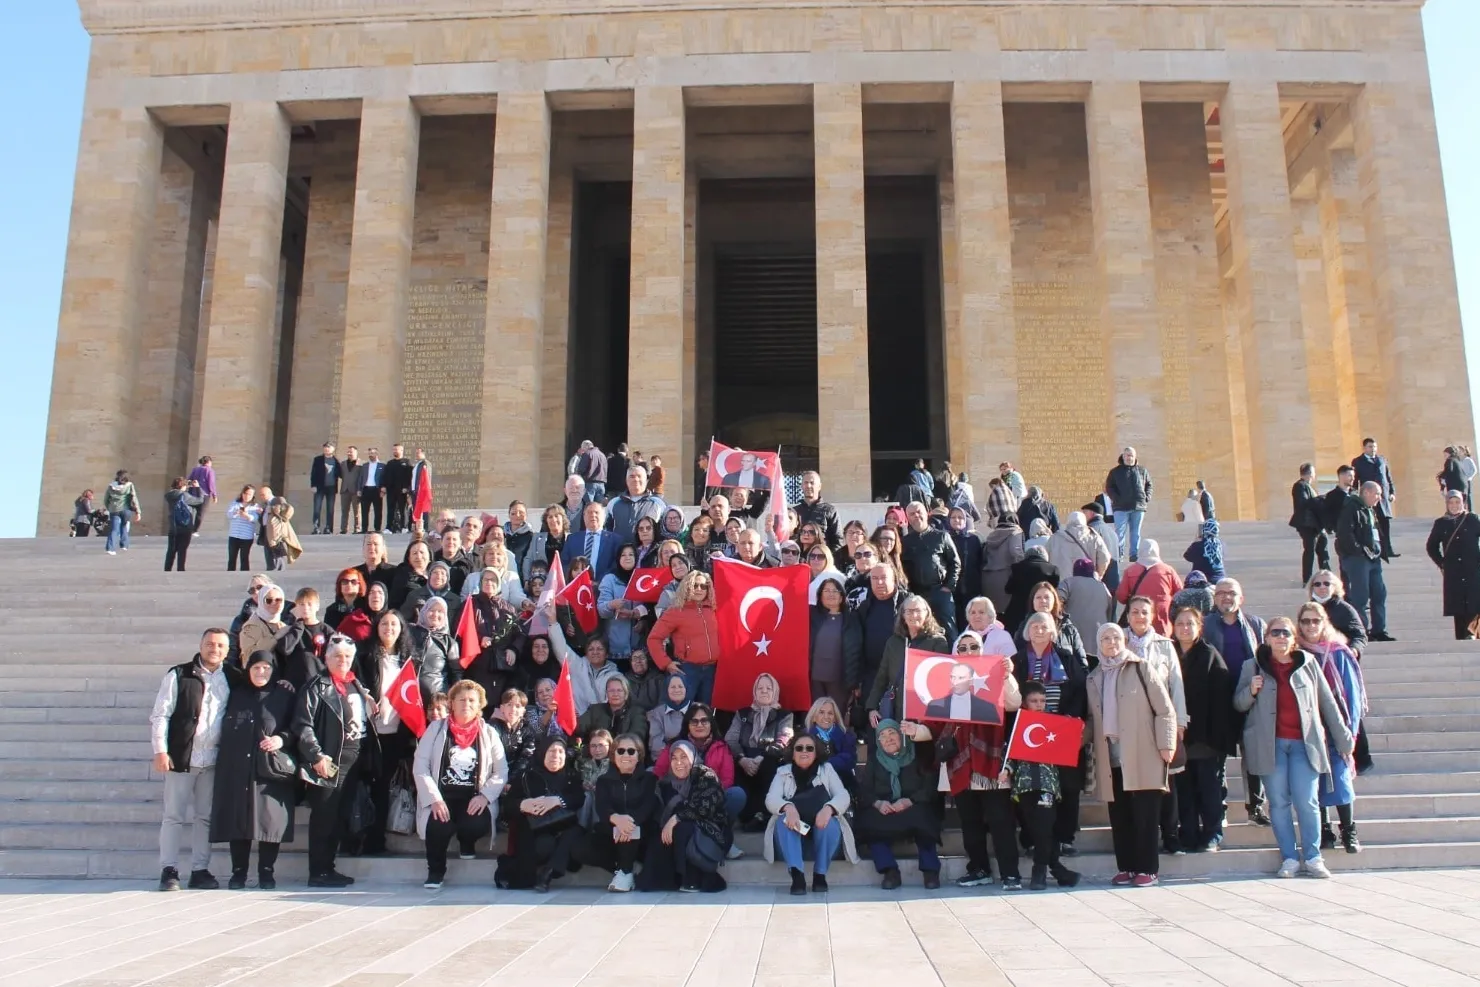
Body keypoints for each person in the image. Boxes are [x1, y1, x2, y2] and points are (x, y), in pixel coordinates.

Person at [1234, 617, 1354, 879]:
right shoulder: (1252, 666)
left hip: (1304, 743)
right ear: (1267, 638)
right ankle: (1289, 857)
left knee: (1307, 801)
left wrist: (1344, 739)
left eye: (1286, 633)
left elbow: (1327, 702)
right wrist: (1251, 691)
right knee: (1278, 803)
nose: (1281, 637)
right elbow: (1238, 704)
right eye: (1275, 633)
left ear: (1293, 638)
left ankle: (1313, 857)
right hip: (1270, 745)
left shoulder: (1307, 663)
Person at [1087, 622, 1177, 888]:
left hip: (1143, 750)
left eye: (1116, 637)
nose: (1111, 642)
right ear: (1099, 644)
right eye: (1105, 638)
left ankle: (1148, 869)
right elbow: (1092, 719)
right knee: (1120, 814)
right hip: (1111, 755)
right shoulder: (1094, 677)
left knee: (1146, 814)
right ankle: (1126, 867)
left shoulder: (1140, 668)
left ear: (1124, 640)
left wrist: (1167, 744)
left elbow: (1165, 710)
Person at [938, 630, 1023, 889]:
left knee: (1001, 821)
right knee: (970, 822)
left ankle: (1010, 874)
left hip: (991, 761)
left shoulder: (996, 675)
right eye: (962, 648)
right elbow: (934, 719)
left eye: (973, 646)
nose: (968, 651)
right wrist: (915, 729)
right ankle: (978, 870)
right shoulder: (947, 682)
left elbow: (1014, 703)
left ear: (982, 650)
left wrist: (1006, 676)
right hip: (961, 763)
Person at [151, 628, 232, 891]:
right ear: (200, 645)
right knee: (173, 816)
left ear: (227, 651)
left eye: (220, 645)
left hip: (213, 760)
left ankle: (200, 869)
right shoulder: (179, 674)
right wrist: (160, 750)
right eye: (210, 644)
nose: (215, 649)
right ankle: (169, 869)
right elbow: (161, 714)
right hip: (181, 758)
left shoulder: (232, 677)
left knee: (204, 817)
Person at [211, 650, 297, 890]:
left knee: (269, 821)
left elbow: (296, 725)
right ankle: (238, 872)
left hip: (269, 769)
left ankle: (266, 872)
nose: (261, 672)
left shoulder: (284, 695)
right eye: (256, 667)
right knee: (239, 820)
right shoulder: (236, 693)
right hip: (237, 767)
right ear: (248, 670)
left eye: (266, 668)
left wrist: (281, 739)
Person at [295, 635, 374, 888]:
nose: (343, 661)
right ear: (327, 658)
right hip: (329, 762)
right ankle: (318, 871)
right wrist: (316, 755)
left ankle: (328, 867)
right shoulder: (317, 686)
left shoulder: (354, 683)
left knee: (339, 817)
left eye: (347, 656)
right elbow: (302, 725)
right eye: (337, 656)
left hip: (353, 762)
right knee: (324, 817)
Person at [412, 680, 507, 889]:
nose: (467, 704)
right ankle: (436, 872)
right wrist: (434, 799)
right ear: (452, 703)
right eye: (461, 699)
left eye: (472, 700)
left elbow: (501, 771)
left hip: (473, 798)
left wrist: (485, 796)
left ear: (480, 705)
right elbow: (420, 766)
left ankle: (467, 841)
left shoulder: (489, 733)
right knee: (437, 826)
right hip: (442, 797)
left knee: (475, 824)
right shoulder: (436, 729)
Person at [1013, 611, 1090, 856]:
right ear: (1027, 631)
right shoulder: (1017, 660)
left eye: (1044, 626)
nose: (1039, 630)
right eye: (1034, 625)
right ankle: (1032, 840)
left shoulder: (1065, 657)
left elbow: (1080, 690)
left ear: (1052, 631)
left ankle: (1064, 838)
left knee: (1067, 785)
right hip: (1028, 733)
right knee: (1031, 787)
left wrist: (1071, 717)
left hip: (1060, 730)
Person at [1295, 603, 1366, 854]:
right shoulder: (1296, 652)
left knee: (1340, 778)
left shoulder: (1338, 652)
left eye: (1316, 620)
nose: (1311, 626)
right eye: (1305, 621)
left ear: (1324, 622)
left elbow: (1351, 694)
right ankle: (1324, 830)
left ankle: (1348, 830)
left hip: (1336, 724)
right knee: (1316, 780)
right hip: (1307, 726)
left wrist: (1350, 729)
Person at [999, 683, 1082, 890]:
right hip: (1024, 786)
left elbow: (1067, 747)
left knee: (1044, 828)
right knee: (1037, 830)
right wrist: (1006, 769)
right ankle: (1058, 871)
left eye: (1042, 701)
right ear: (1025, 703)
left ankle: (1040, 873)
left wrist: (1075, 730)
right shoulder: (1018, 724)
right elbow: (1010, 754)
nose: (1039, 705)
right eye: (1034, 701)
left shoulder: (1054, 723)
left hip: (1048, 786)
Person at [1169, 606, 1235, 853]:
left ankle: (1212, 834)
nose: (1185, 628)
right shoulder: (1169, 653)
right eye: (1180, 623)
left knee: (1208, 788)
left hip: (1206, 736)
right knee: (1183, 789)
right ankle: (1188, 833)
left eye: (1190, 623)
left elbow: (1221, 698)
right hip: (1178, 735)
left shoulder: (1209, 655)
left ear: (1199, 627)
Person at [765, 734, 858, 894]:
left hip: (822, 840)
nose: (804, 751)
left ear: (816, 753)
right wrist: (788, 807)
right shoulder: (782, 772)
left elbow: (843, 796)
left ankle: (820, 875)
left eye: (809, 748)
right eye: (799, 748)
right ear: (792, 753)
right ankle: (797, 876)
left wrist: (828, 809)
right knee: (784, 819)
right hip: (791, 843)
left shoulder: (827, 770)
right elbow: (771, 799)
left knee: (830, 822)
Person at [854, 718, 940, 889]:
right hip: (886, 808)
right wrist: (878, 803)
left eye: (892, 733)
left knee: (924, 816)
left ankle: (930, 871)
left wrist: (909, 801)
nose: (889, 739)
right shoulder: (874, 760)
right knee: (869, 820)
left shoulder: (917, 754)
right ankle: (890, 871)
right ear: (878, 741)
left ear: (901, 735)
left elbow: (929, 786)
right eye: (883, 736)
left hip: (912, 805)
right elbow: (864, 790)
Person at [639, 739, 732, 892]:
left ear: (693, 757)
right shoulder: (666, 783)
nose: (678, 763)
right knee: (658, 837)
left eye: (684, 757)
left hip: (711, 832)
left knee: (683, 827)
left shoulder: (705, 775)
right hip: (680, 833)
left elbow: (705, 807)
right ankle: (670, 879)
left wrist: (676, 818)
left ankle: (693, 878)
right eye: (674, 758)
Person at [498, 736, 584, 891]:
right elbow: (507, 807)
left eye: (560, 752)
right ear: (543, 752)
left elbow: (578, 799)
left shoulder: (571, 776)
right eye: (551, 751)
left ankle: (549, 872)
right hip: (536, 831)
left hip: (564, 828)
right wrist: (523, 805)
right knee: (546, 844)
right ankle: (547, 871)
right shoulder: (526, 776)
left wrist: (558, 800)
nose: (556, 756)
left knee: (575, 832)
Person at [581, 733, 659, 892]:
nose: (626, 755)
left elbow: (648, 806)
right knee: (579, 847)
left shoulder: (649, 779)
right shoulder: (603, 780)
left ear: (639, 755)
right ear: (614, 754)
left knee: (632, 832)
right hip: (612, 832)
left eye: (631, 751)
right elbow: (602, 807)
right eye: (621, 751)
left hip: (642, 833)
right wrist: (617, 819)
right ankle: (622, 869)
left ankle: (625, 873)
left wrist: (628, 823)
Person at [866, 595, 950, 726]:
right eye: (909, 611)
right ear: (903, 615)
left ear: (927, 613)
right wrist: (872, 707)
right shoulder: (893, 642)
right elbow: (882, 676)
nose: (913, 615)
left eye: (918, 610)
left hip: (924, 712)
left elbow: (941, 681)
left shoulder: (938, 642)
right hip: (896, 709)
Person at [726, 673, 795, 830]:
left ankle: (765, 815)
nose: (764, 691)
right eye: (760, 688)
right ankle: (747, 815)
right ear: (754, 691)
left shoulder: (785, 715)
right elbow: (730, 739)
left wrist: (762, 757)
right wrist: (742, 759)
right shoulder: (742, 714)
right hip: (744, 761)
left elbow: (784, 739)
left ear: (775, 691)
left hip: (769, 761)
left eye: (768, 688)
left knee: (770, 764)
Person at [646, 570, 721, 705]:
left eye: (704, 586)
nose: (699, 589)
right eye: (695, 585)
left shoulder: (713, 609)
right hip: (688, 669)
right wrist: (666, 663)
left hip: (712, 670)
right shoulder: (676, 611)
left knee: (706, 711)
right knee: (683, 709)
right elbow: (654, 639)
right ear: (687, 586)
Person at [1337, 481, 1393, 640]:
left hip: (1373, 558)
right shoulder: (1351, 508)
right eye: (1377, 494)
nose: (1379, 497)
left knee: (1379, 594)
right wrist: (1359, 550)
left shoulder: (1369, 510)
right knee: (1360, 597)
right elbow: (1345, 534)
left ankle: (1379, 630)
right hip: (1358, 559)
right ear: (1366, 492)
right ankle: (1361, 631)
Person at [1427, 488, 1480, 639]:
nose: (1454, 505)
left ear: (1463, 503)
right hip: (1453, 571)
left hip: (1472, 569)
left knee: (1475, 602)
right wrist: (1442, 563)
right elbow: (1431, 546)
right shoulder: (1441, 523)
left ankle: (1471, 633)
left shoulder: (1473, 519)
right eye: (1451, 502)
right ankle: (1462, 637)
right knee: (1458, 606)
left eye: (1457, 502)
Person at [1115, 540, 1183, 634]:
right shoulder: (1168, 570)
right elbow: (1180, 594)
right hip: (1163, 619)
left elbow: (1121, 596)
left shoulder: (1130, 571)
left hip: (1139, 620)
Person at [1352, 437, 1398, 559]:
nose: (1373, 449)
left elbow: (1388, 478)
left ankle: (1388, 550)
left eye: (1375, 447)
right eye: (1370, 447)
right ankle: (1373, 549)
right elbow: (1355, 481)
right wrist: (1355, 494)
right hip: (1368, 498)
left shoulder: (1382, 460)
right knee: (1370, 525)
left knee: (1385, 525)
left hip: (1383, 498)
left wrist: (1392, 492)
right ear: (1364, 448)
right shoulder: (1358, 462)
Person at [1105, 447, 1152, 562]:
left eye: (1131, 455)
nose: (1129, 458)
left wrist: (1146, 497)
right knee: (1119, 532)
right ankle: (1119, 555)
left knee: (1136, 532)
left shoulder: (1142, 470)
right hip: (1120, 507)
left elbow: (1149, 485)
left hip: (1138, 506)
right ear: (1123, 456)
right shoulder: (1115, 472)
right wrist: (1116, 499)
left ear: (1135, 457)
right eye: (1127, 455)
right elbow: (1109, 487)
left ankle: (1134, 554)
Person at [810, 577, 850, 707]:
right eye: (826, 590)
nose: (831, 594)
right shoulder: (811, 615)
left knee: (836, 713)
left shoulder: (850, 619)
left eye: (835, 591)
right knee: (816, 713)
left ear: (841, 597)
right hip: (814, 678)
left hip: (839, 679)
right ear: (820, 596)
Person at [1001, 545, 1059, 634]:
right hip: (1041, 610)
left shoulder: (1017, 568)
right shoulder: (1052, 569)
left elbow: (1008, 589)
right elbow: (1054, 591)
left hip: (1017, 610)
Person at [1060, 559, 1114, 655]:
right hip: (1098, 639)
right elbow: (1110, 608)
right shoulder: (1102, 586)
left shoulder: (1068, 582)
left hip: (1073, 637)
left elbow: (1058, 599)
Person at [1291, 463, 1331, 584]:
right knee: (1310, 550)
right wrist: (1321, 498)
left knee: (1323, 548)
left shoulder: (1307, 486)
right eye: (1313, 472)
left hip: (1316, 525)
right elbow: (1304, 502)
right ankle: (1307, 579)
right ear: (1309, 473)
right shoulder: (1299, 486)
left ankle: (1327, 575)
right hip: (1307, 525)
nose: (1314, 475)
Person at [607, 465, 668, 544]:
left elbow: (665, 530)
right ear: (626, 480)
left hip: (648, 550)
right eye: (632, 476)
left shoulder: (658, 503)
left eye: (639, 476)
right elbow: (607, 529)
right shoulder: (614, 503)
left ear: (646, 480)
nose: (636, 479)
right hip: (621, 550)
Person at [925, 661, 1001, 723]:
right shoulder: (934, 706)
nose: (955, 682)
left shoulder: (987, 708)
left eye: (961, 678)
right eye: (952, 677)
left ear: (971, 681)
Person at [564, 501, 622, 582]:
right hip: (576, 585)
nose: (593, 515)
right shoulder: (572, 539)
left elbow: (616, 565)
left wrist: (598, 582)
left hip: (603, 585)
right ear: (584, 517)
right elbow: (565, 563)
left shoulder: (615, 540)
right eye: (589, 512)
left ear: (604, 516)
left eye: (596, 512)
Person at [981, 512, 1025, 614]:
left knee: (992, 613)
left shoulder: (991, 535)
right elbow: (1016, 552)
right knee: (1008, 614)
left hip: (987, 578)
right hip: (1006, 577)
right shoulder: (1015, 532)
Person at [237, 582, 291, 665]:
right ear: (261, 602)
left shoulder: (283, 626)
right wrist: (275, 638)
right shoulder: (251, 626)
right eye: (268, 600)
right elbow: (249, 657)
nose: (273, 603)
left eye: (278, 600)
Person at [1047, 512, 1109, 582]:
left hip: (1062, 583)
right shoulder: (1094, 537)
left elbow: (1046, 559)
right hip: (1087, 581)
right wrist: (1098, 575)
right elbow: (1105, 557)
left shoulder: (1054, 538)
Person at [794, 471, 842, 554]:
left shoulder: (830, 510)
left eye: (812, 483)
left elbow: (837, 540)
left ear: (819, 486)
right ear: (801, 486)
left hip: (821, 558)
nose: (808, 486)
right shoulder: (794, 512)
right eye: (806, 483)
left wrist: (828, 558)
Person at [163, 477, 206, 571]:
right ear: (183, 486)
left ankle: (167, 569)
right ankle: (180, 569)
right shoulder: (184, 495)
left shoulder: (169, 496)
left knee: (171, 550)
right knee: (182, 550)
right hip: (185, 527)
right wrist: (197, 488)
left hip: (173, 527)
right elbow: (200, 500)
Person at [646, 672, 690, 758]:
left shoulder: (697, 710)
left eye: (680, 686)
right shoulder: (657, 713)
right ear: (666, 690)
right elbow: (656, 744)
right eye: (673, 687)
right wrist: (676, 758)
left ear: (686, 689)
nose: (676, 690)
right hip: (666, 759)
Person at [101, 469, 141, 555]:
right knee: (124, 525)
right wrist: (138, 512)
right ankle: (124, 545)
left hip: (114, 510)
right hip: (125, 509)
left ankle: (110, 548)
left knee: (114, 529)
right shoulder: (129, 485)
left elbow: (106, 499)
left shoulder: (111, 486)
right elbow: (134, 498)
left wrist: (109, 508)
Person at [309, 442, 341, 536]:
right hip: (319, 487)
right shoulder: (318, 459)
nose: (326, 449)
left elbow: (340, 473)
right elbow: (313, 473)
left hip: (331, 487)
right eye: (325, 447)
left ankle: (328, 527)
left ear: (333, 449)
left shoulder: (336, 461)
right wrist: (313, 485)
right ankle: (316, 527)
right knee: (317, 508)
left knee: (330, 509)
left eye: (328, 447)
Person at [225, 485, 260, 571]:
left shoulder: (255, 506)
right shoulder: (235, 503)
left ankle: (244, 574)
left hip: (246, 536)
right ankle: (230, 574)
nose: (247, 496)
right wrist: (236, 513)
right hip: (234, 535)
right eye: (245, 493)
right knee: (232, 558)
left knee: (244, 558)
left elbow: (255, 518)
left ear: (253, 496)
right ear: (242, 493)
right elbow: (229, 515)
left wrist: (247, 516)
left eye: (249, 494)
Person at [263, 497, 302, 571]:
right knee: (274, 559)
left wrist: (272, 510)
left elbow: (275, 528)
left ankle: (277, 571)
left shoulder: (279, 517)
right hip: (271, 539)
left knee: (277, 560)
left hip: (277, 540)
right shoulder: (273, 515)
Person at [186, 456, 217, 535]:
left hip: (193, 493)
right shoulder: (209, 470)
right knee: (200, 513)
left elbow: (189, 480)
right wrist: (214, 495)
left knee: (191, 512)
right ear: (209, 462)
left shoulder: (195, 469)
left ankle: (189, 528)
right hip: (204, 494)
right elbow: (211, 484)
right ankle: (195, 530)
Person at [358, 447, 386, 534]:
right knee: (364, 510)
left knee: (378, 510)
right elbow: (361, 478)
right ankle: (364, 529)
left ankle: (377, 528)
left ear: (377, 454)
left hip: (376, 490)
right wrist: (359, 489)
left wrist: (383, 490)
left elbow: (385, 479)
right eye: (369, 453)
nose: (371, 455)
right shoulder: (365, 465)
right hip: (366, 489)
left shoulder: (382, 466)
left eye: (373, 453)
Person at [338, 446, 363, 535]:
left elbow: (362, 478)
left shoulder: (361, 464)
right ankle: (344, 529)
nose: (349, 453)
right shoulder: (343, 464)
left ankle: (357, 528)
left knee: (357, 511)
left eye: (351, 452)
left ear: (356, 453)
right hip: (345, 490)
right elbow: (341, 475)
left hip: (356, 490)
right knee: (344, 511)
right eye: (348, 452)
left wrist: (360, 489)